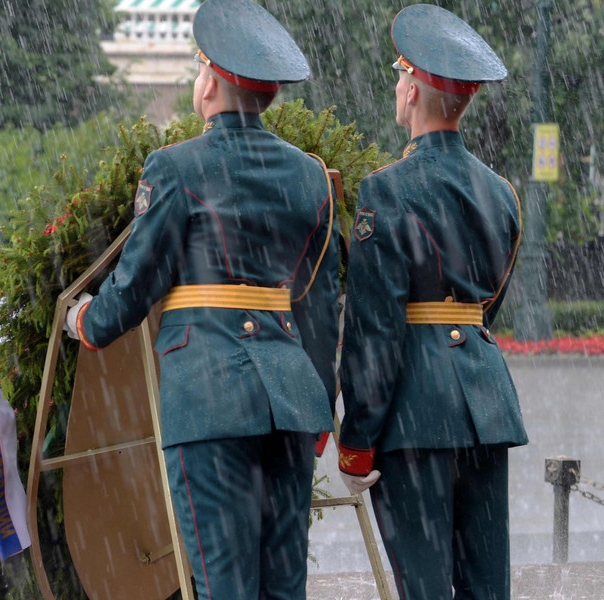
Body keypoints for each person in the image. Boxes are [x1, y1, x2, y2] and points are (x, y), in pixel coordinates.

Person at [65, 1, 339, 597]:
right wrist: (321, 401)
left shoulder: (176, 166)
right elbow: (320, 305)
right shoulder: (310, 176)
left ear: (209, 80)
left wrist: (88, 318)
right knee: (283, 584)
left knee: (223, 582)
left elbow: (137, 282)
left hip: (210, 393)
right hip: (291, 401)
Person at [336, 5, 527, 599]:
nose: (397, 87)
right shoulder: (501, 193)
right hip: (485, 403)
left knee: (425, 588)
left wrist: (356, 441)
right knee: (485, 587)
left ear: (413, 89)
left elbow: (375, 327)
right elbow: (487, 304)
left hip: (416, 413)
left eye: (400, 77)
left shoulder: (385, 189)